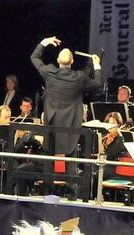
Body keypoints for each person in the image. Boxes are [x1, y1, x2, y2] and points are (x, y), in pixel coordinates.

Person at [30, 35, 102, 200]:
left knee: (49, 154)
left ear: (57, 60)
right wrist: (97, 65)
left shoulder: (49, 72)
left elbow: (34, 57)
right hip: (70, 123)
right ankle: (72, 194)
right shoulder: (79, 77)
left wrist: (45, 42)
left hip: (53, 122)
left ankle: (48, 193)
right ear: (72, 62)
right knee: (70, 156)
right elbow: (98, 83)